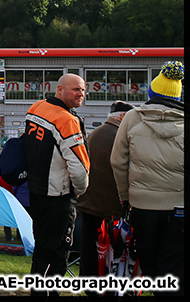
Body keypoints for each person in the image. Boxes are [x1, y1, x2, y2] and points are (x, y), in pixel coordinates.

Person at [111, 61, 184, 296]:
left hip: (142, 206)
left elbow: (118, 161)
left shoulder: (132, 118)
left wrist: (125, 197)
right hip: (178, 207)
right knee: (174, 263)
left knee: (149, 262)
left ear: (152, 92)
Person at [23, 73, 89, 296]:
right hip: (58, 196)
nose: (81, 94)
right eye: (75, 89)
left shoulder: (37, 107)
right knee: (57, 254)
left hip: (36, 191)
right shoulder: (67, 120)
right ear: (59, 90)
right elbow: (80, 168)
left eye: (83, 89)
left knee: (42, 251)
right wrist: (78, 192)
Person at [76, 100, 133, 284]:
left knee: (89, 253)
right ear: (124, 117)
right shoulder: (120, 136)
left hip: (89, 204)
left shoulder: (97, 133)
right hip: (110, 209)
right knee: (110, 255)